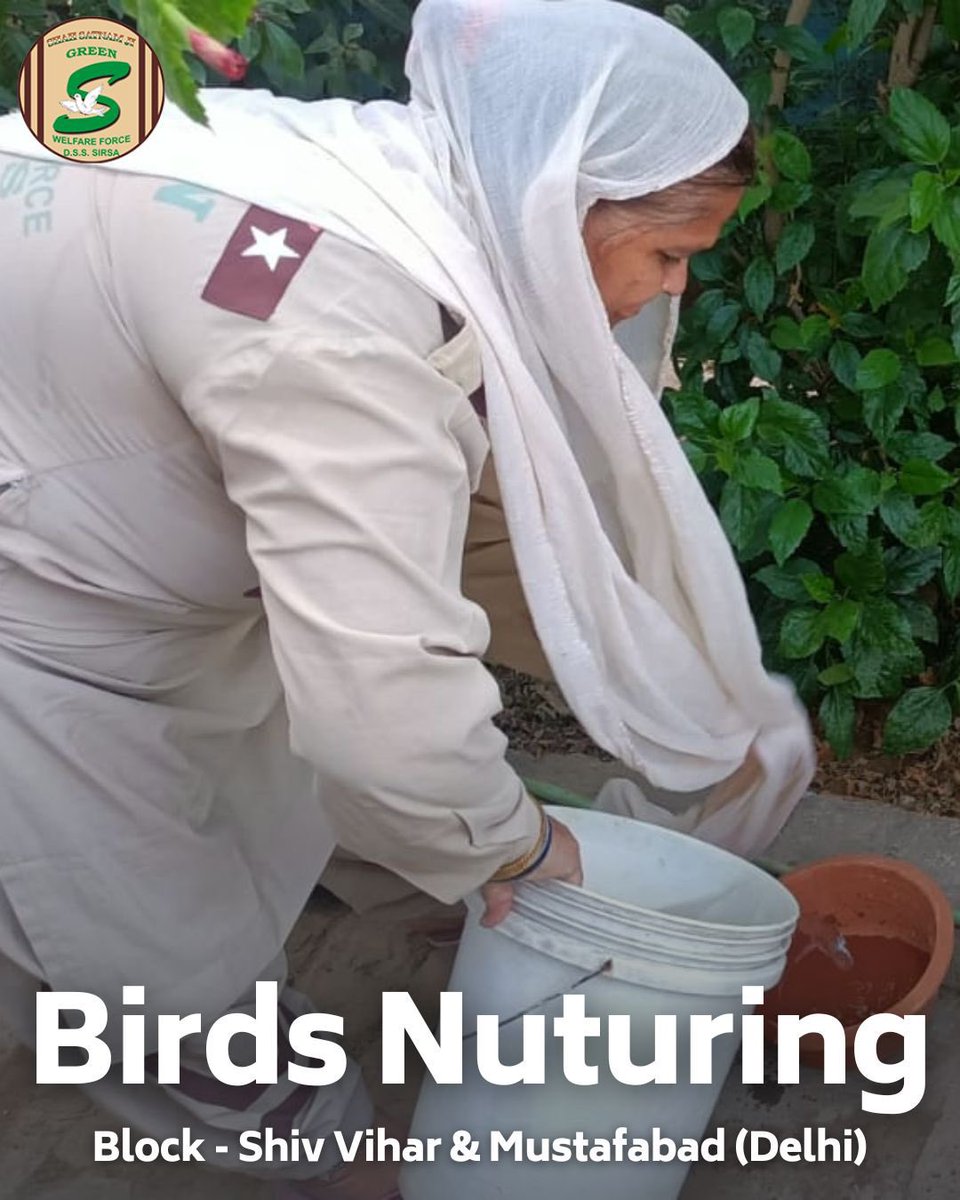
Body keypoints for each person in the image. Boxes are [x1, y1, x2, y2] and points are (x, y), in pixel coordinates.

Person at [0, 0, 815, 1196]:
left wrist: (680, 694)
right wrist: (523, 861)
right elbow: (383, 715)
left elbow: (468, 530)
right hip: (41, 619)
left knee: (287, 776)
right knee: (154, 961)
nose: (665, 292)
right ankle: (338, 1165)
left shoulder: (383, 187)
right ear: (555, 199)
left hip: (95, 514)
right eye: (668, 252)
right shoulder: (333, 328)